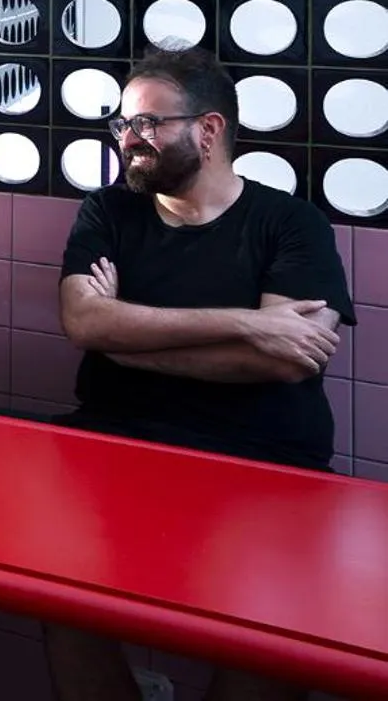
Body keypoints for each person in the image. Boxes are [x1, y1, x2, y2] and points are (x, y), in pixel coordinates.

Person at [44, 44, 353, 701]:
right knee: (61, 604)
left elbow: (283, 359)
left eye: (146, 124)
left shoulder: (292, 223)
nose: (128, 138)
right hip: (115, 445)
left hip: (264, 465)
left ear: (208, 130)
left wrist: (128, 338)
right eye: (122, 124)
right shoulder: (108, 211)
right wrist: (246, 320)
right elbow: (83, 321)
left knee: (265, 649)